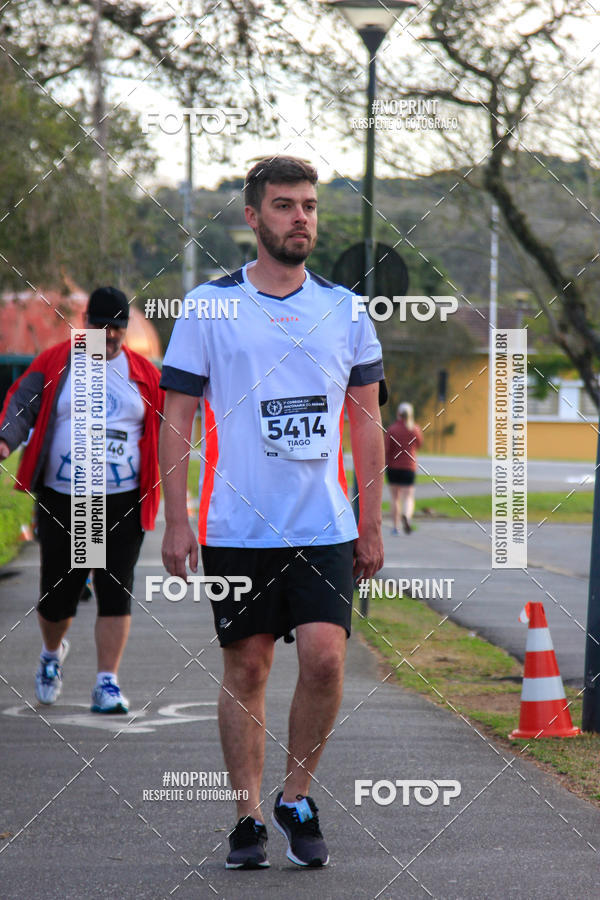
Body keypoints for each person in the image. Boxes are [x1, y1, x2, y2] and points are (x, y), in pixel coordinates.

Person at [159, 156, 386, 869]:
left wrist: (372, 521)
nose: (301, 218)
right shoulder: (208, 306)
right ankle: (249, 816)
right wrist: (174, 518)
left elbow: (366, 422)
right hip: (237, 525)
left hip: (324, 523)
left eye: (310, 206)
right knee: (249, 667)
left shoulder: (346, 310)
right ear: (253, 218)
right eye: (285, 205)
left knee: (324, 659)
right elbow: (177, 419)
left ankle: (296, 796)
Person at [0, 287, 163, 713]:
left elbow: (168, 427)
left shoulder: (143, 373)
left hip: (121, 499)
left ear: (125, 329)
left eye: (116, 329)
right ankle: (52, 655)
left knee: (115, 593)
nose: (107, 336)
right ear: (85, 323)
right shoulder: (58, 362)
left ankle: (106, 682)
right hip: (66, 498)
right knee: (58, 600)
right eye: (99, 327)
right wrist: (6, 440)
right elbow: (22, 403)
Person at [385, 401, 423, 534]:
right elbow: (419, 444)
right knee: (408, 496)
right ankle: (406, 516)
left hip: (393, 467)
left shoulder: (392, 429)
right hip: (409, 467)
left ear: (398, 414)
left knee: (395, 497)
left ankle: (395, 527)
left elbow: (387, 448)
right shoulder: (415, 429)